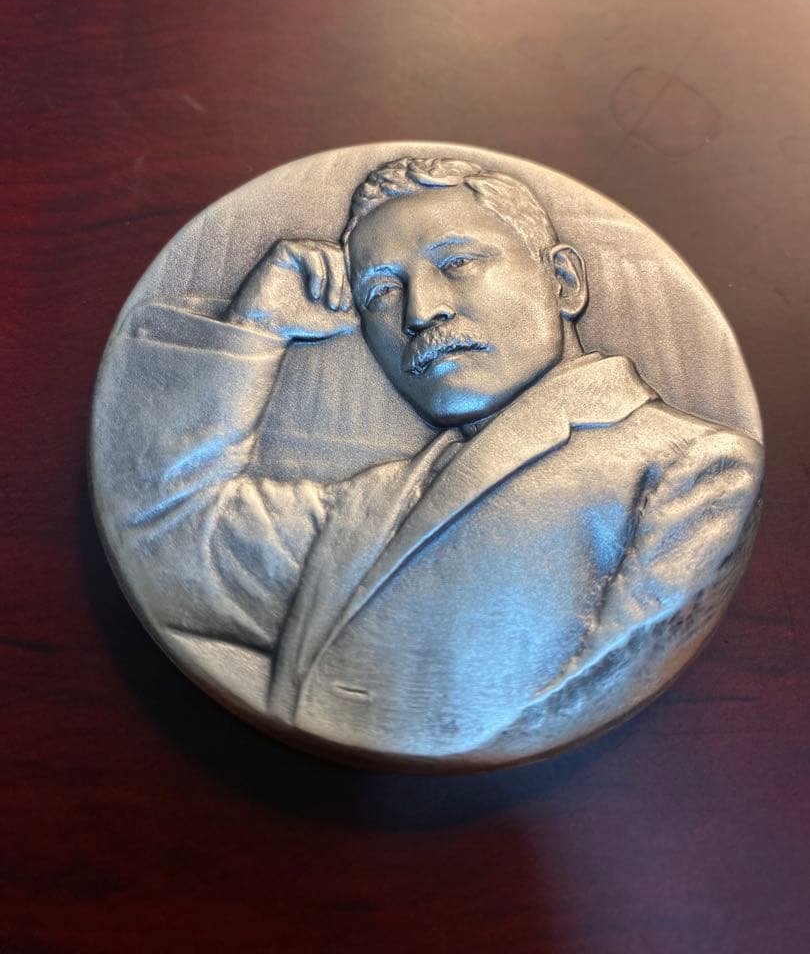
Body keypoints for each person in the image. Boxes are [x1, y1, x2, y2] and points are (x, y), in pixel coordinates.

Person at [113, 157, 763, 762]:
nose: (422, 311)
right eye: (380, 292)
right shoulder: (369, 501)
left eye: (457, 262)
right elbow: (159, 541)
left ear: (562, 280)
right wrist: (253, 328)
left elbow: (594, 693)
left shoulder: (694, 465)